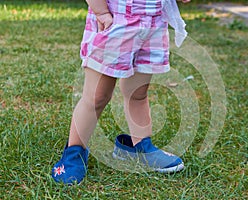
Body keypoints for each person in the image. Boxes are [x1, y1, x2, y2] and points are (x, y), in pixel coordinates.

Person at [52, 0, 190, 184]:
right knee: (97, 97)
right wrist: (101, 13)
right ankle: (74, 151)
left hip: (152, 23)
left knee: (138, 93)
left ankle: (139, 146)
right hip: (115, 20)